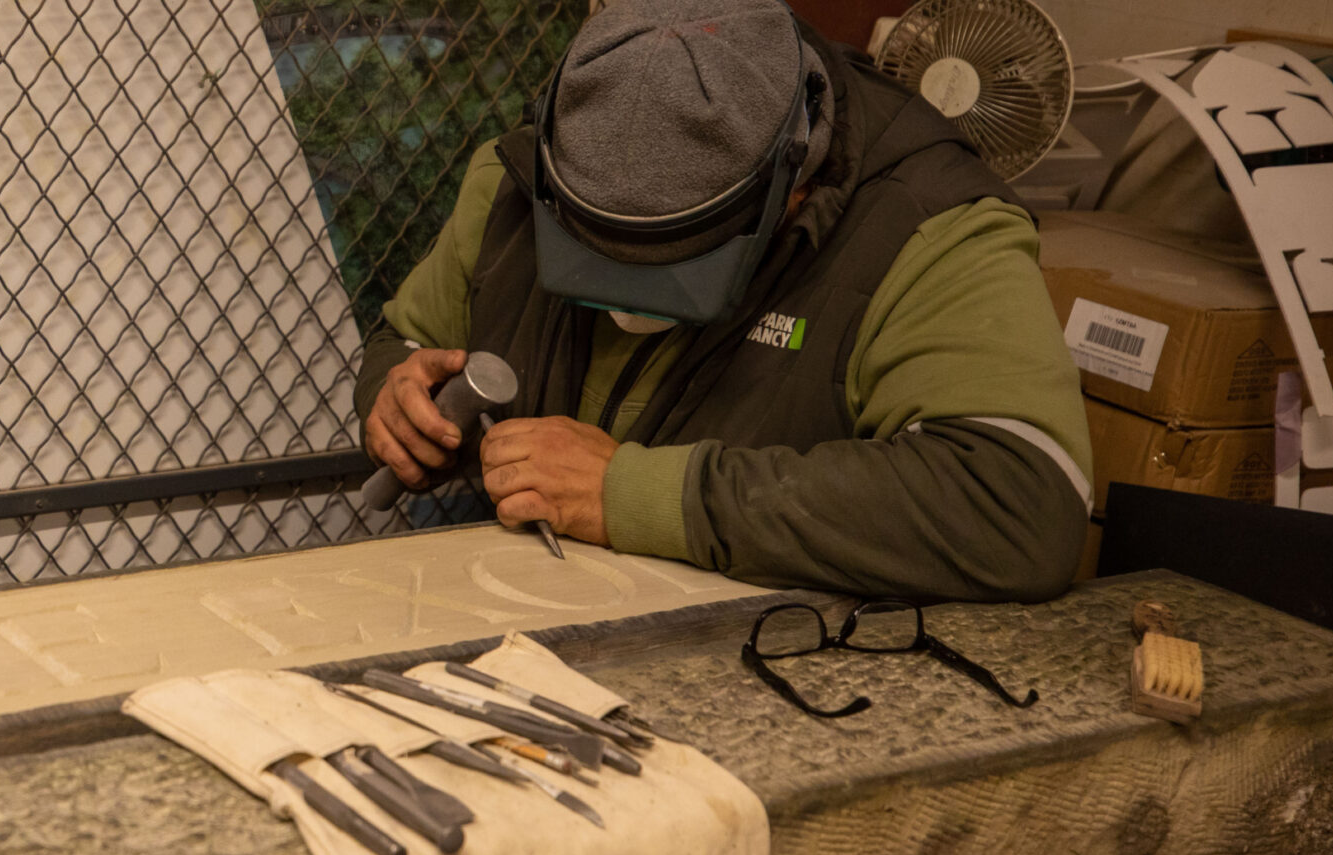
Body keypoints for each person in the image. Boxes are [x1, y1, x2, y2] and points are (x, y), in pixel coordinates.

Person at [354, 0, 1091, 603]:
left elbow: (1020, 503)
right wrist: (403, 401)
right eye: (589, 253)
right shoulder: (520, 176)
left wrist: (634, 495)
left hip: (775, 657)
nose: (621, 305)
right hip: (516, 617)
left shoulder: (928, 228)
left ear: (792, 184)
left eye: (669, 269)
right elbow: (409, 341)